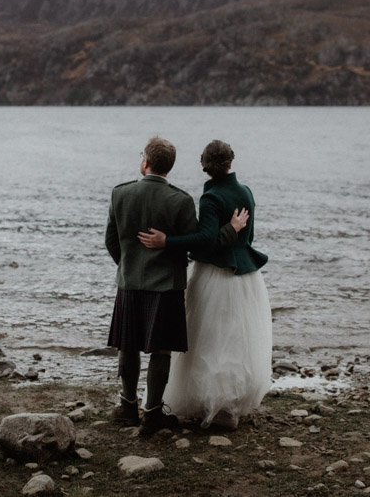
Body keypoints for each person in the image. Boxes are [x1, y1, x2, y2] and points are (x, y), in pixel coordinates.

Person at [105, 136, 245, 436]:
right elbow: (195, 247)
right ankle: (153, 412)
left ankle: (127, 406)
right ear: (169, 168)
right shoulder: (180, 200)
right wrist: (230, 232)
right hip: (166, 286)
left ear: (145, 162)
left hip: (129, 282)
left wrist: (128, 264)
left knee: (128, 344)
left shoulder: (120, 193)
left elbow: (111, 241)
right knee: (161, 350)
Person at [138, 139, 271, 430]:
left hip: (217, 276)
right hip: (246, 277)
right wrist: (232, 232)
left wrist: (167, 241)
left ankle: (218, 407)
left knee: (212, 340)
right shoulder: (245, 192)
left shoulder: (210, 198)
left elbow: (205, 241)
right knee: (238, 341)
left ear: (205, 167)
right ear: (231, 163)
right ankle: (230, 405)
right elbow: (247, 238)